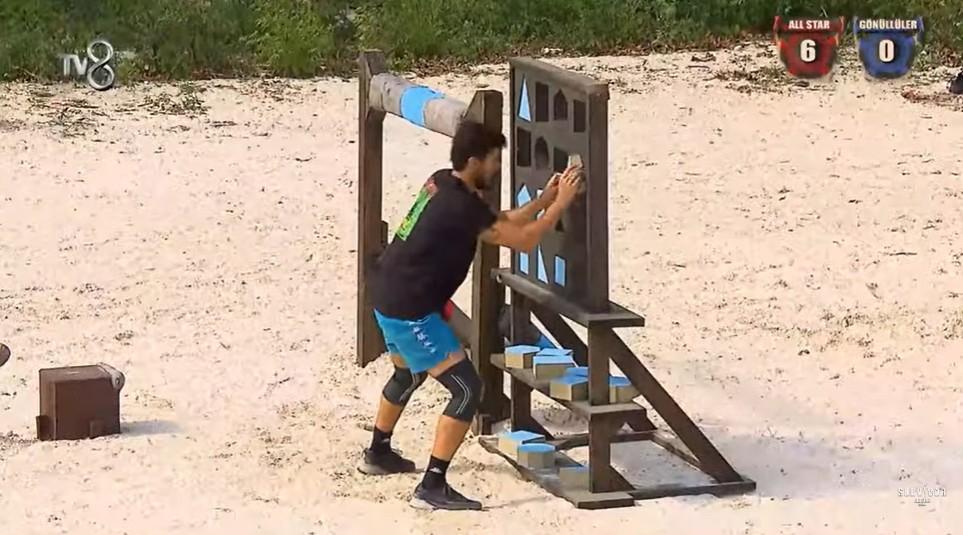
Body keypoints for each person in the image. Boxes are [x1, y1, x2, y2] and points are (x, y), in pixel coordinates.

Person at [361, 120, 583, 511]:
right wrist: (562, 203)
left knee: (407, 374)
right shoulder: (461, 205)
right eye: (494, 160)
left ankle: (377, 453)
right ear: (475, 161)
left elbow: (500, 222)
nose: (497, 167)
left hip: (385, 292)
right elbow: (524, 240)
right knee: (466, 389)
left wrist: (544, 200)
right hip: (410, 308)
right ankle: (432, 486)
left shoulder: (443, 181)